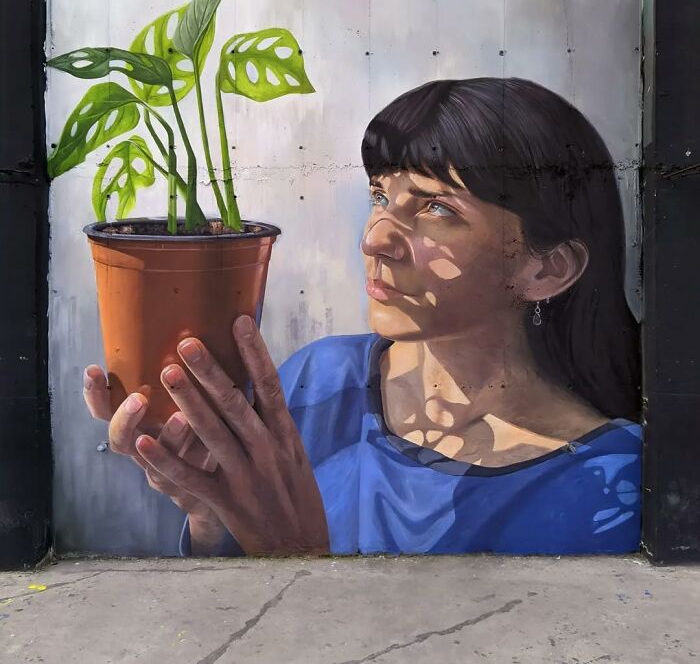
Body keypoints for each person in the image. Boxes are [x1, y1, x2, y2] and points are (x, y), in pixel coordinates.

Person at [84, 77, 642, 557]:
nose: (375, 240)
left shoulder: (610, 485)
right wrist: (211, 516)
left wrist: (293, 555)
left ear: (546, 269)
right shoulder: (319, 378)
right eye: (381, 197)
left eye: (436, 208)